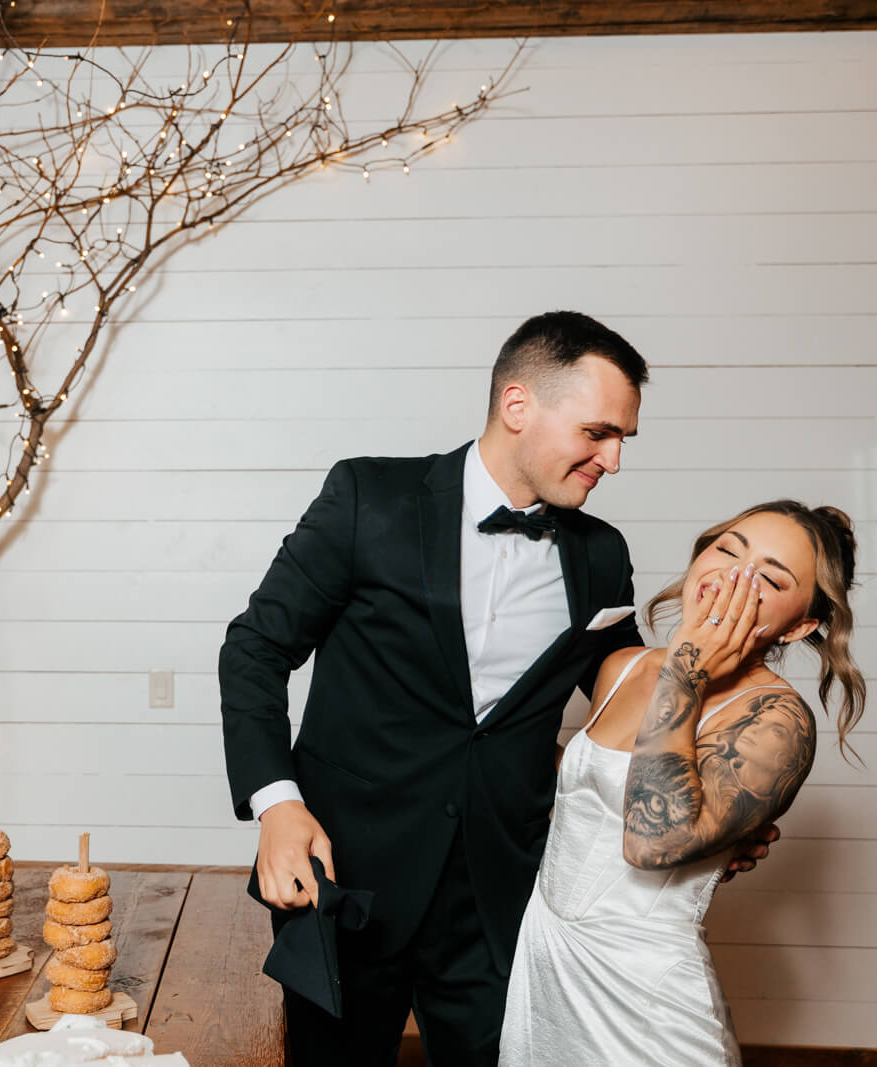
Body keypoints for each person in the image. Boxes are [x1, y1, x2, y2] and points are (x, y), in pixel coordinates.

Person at [220, 310, 659, 1065]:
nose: (613, 460)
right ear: (518, 405)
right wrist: (277, 804)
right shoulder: (367, 497)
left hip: (501, 890)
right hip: (349, 875)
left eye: (623, 438)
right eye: (598, 433)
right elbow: (255, 648)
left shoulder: (602, 554)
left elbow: (629, 705)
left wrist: (722, 805)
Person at [499, 501, 865, 1066]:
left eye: (770, 579)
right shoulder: (621, 667)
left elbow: (652, 844)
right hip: (546, 966)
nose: (735, 578)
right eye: (727, 550)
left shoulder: (778, 719)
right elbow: (578, 791)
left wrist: (685, 671)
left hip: (646, 1000)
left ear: (798, 626)